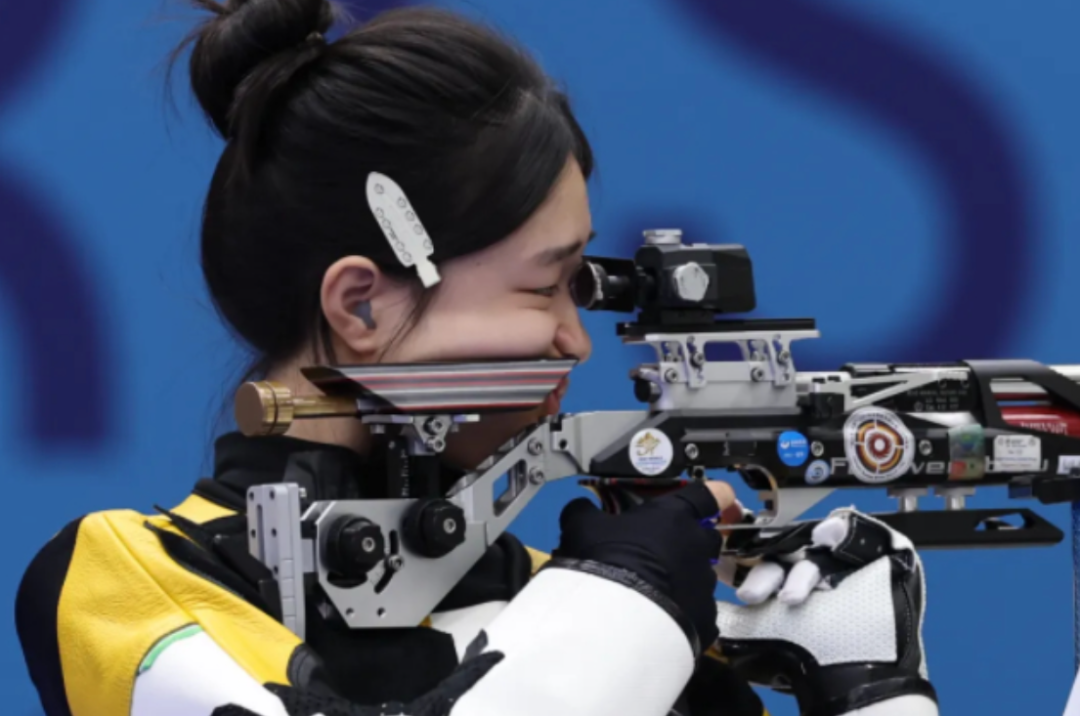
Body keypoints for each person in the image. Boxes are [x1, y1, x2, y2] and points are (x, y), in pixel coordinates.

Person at [14, 3, 939, 716]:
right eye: (544, 288)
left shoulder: (564, 600)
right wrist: (628, 600)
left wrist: (869, 687)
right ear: (362, 305)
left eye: (582, 289)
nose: (576, 340)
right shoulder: (122, 582)